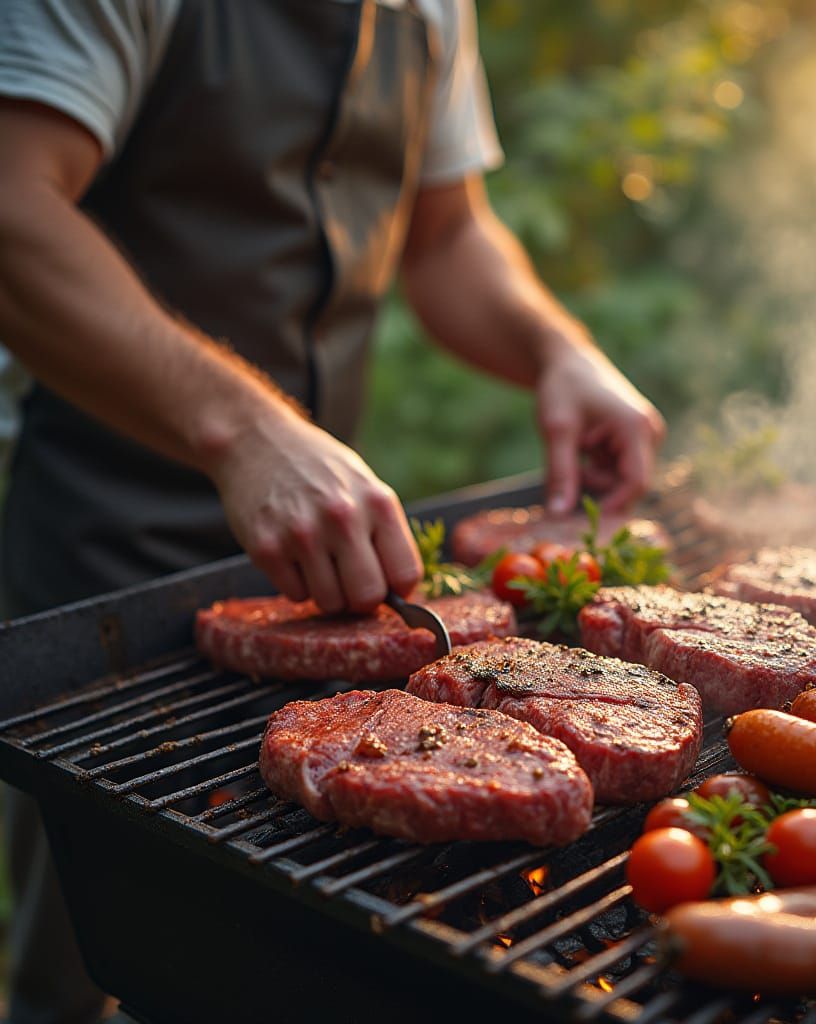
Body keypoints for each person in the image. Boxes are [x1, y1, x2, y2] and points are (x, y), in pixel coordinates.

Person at [0, 1, 665, 1021]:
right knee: (86, 957)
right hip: (110, 544)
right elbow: (13, 204)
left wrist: (558, 351)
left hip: (333, 565)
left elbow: (447, 235)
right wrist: (245, 431)